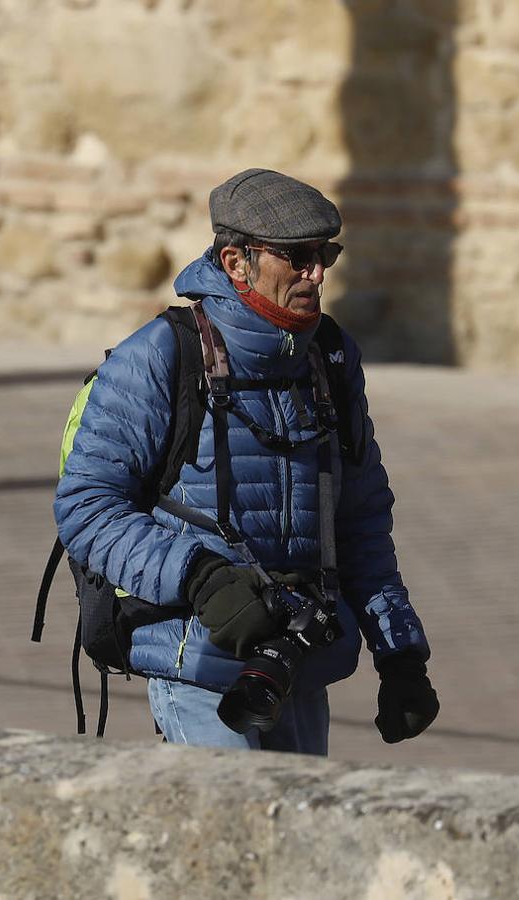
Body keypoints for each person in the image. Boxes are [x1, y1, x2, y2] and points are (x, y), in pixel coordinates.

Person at [54, 168, 439, 754]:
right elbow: (86, 507)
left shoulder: (330, 360)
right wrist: (200, 576)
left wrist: (400, 654)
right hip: (198, 665)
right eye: (297, 256)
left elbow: (360, 518)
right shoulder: (159, 357)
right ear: (236, 262)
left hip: (298, 668)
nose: (317, 272)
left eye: (325, 254)